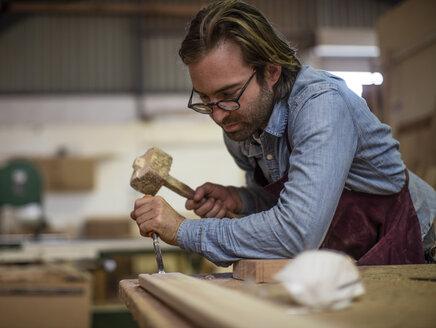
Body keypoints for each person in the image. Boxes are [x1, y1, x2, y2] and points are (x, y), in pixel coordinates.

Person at [130, 0, 436, 266]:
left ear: (271, 71)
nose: (219, 114)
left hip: (423, 245)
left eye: (229, 94)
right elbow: (286, 206)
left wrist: (183, 230)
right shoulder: (240, 125)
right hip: (364, 255)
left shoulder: (321, 105)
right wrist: (242, 200)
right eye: (205, 99)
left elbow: (296, 233)